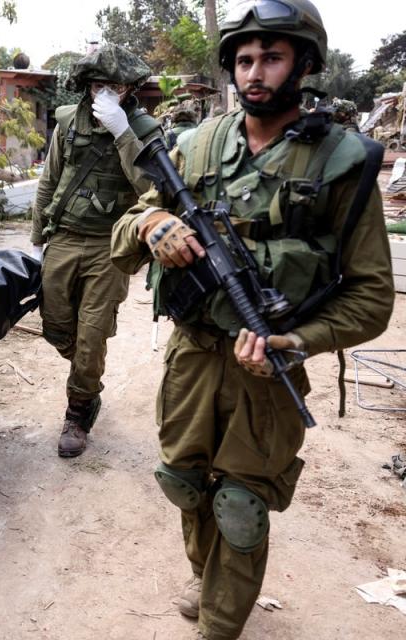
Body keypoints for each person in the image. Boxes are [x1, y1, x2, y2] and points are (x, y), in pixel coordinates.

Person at [109, 1, 395, 638]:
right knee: (184, 481)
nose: (255, 72)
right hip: (192, 353)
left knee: (240, 503)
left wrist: (297, 340)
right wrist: (154, 224)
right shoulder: (195, 144)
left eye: (272, 57)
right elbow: (127, 226)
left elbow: (373, 297)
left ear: (305, 65)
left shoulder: (342, 162)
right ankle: (204, 573)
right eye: (244, 59)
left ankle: (220, 622)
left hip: (268, 368)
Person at [29, 44, 163, 458]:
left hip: (111, 247)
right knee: (55, 326)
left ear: (129, 88)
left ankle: (79, 409)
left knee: (91, 337)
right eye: (98, 84)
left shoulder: (143, 129)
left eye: (115, 85)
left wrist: (123, 132)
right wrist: (37, 239)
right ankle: (85, 373)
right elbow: (49, 181)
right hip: (65, 237)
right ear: (86, 86)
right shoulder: (68, 121)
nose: (105, 92)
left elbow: (153, 190)